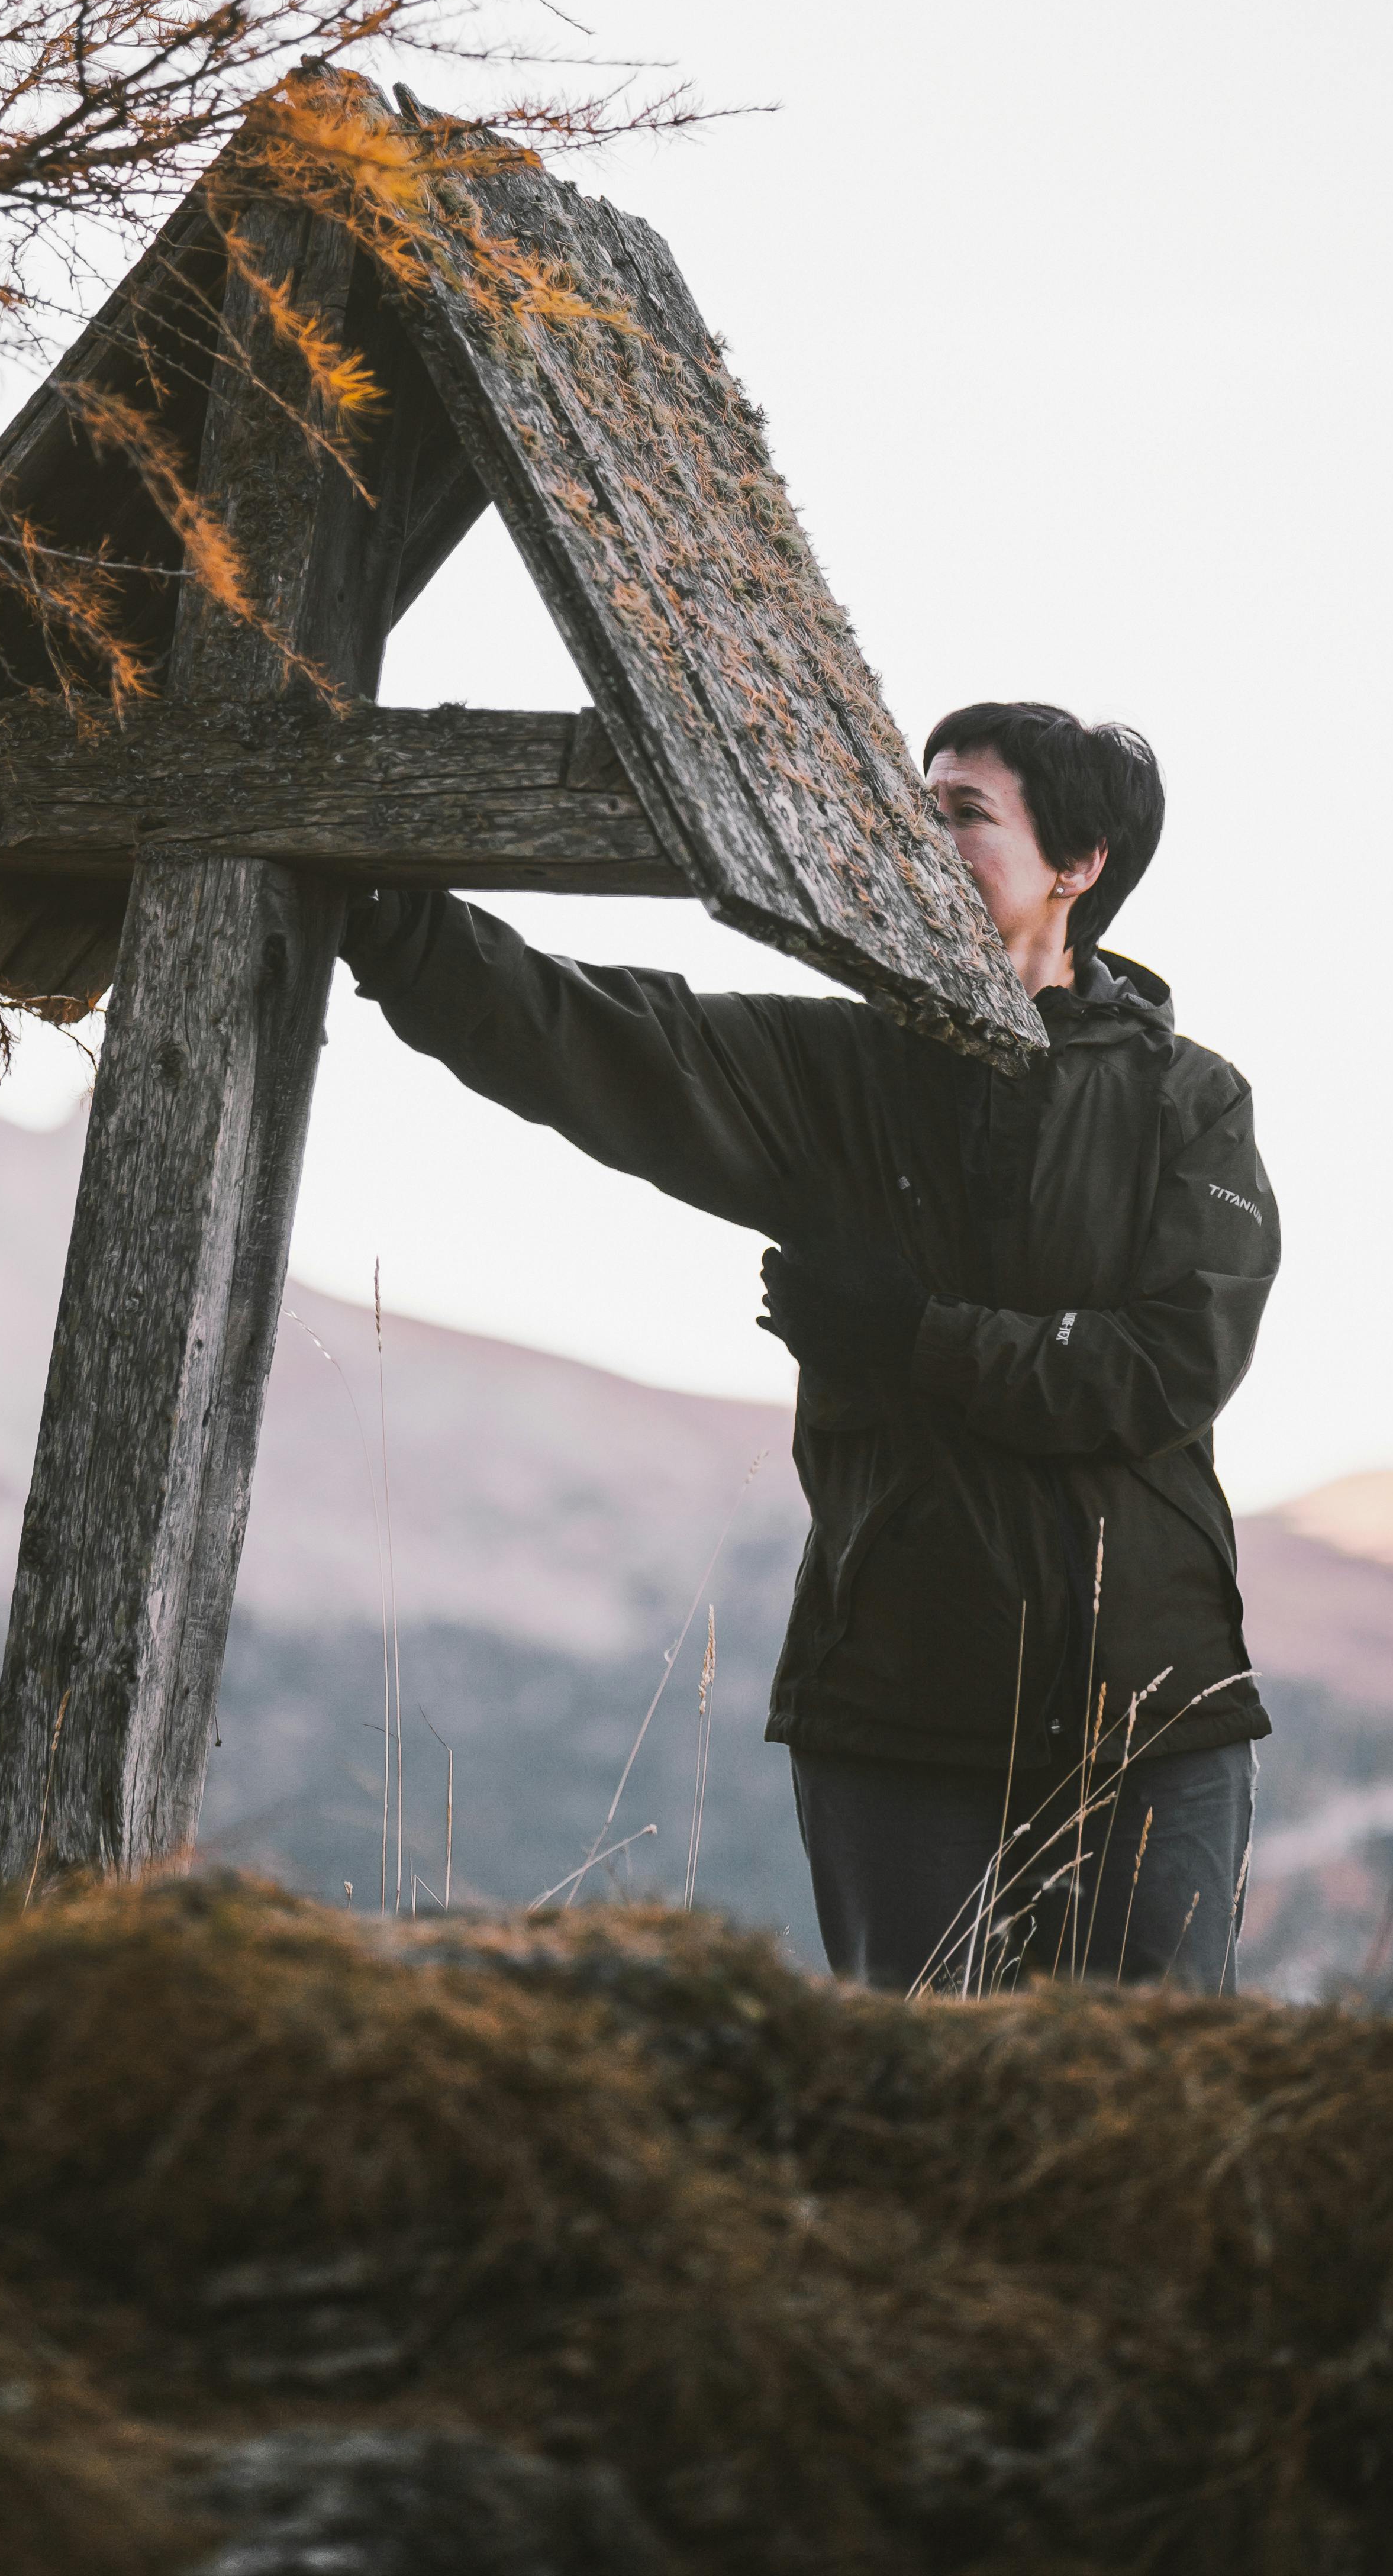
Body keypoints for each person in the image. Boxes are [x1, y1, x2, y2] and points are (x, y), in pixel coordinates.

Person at [338, 699, 1278, 1994]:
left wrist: (919, 1339)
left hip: (1155, 1724)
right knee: (910, 2115)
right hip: (895, 1713)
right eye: (912, 805)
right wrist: (388, 922)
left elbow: (1168, 1370)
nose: (920, 834)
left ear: (1078, 865)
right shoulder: (844, 1075)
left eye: (963, 813)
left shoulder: (1189, 1102)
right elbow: (596, 1036)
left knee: (1152, 2136)